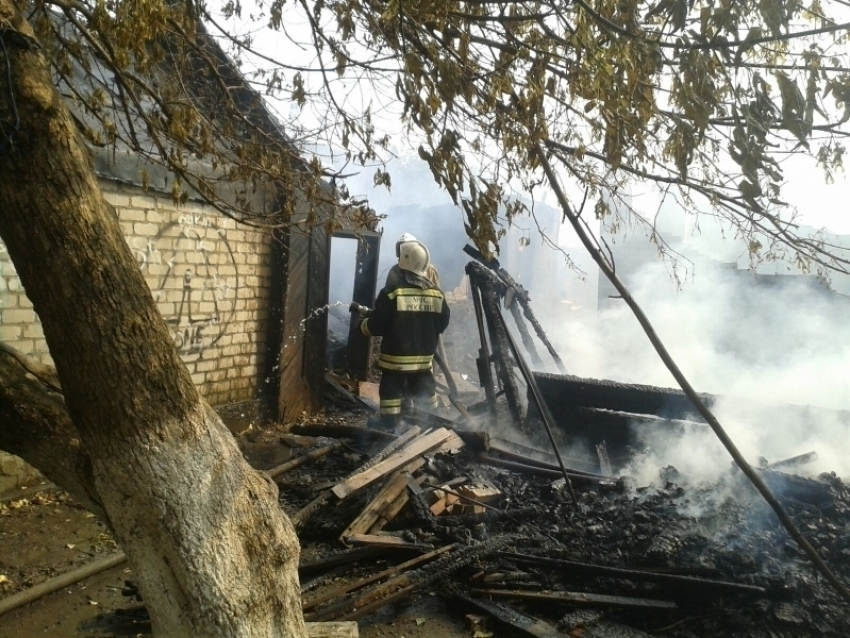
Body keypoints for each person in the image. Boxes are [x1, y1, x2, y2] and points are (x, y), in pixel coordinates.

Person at [359, 236, 450, 430]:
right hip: (424, 360)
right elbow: (442, 323)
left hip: (395, 361)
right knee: (426, 390)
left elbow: (378, 325)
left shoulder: (392, 293)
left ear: (404, 262)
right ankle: (432, 425)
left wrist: (363, 326)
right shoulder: (437, 294)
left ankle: (389, 425)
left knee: (391, 392)